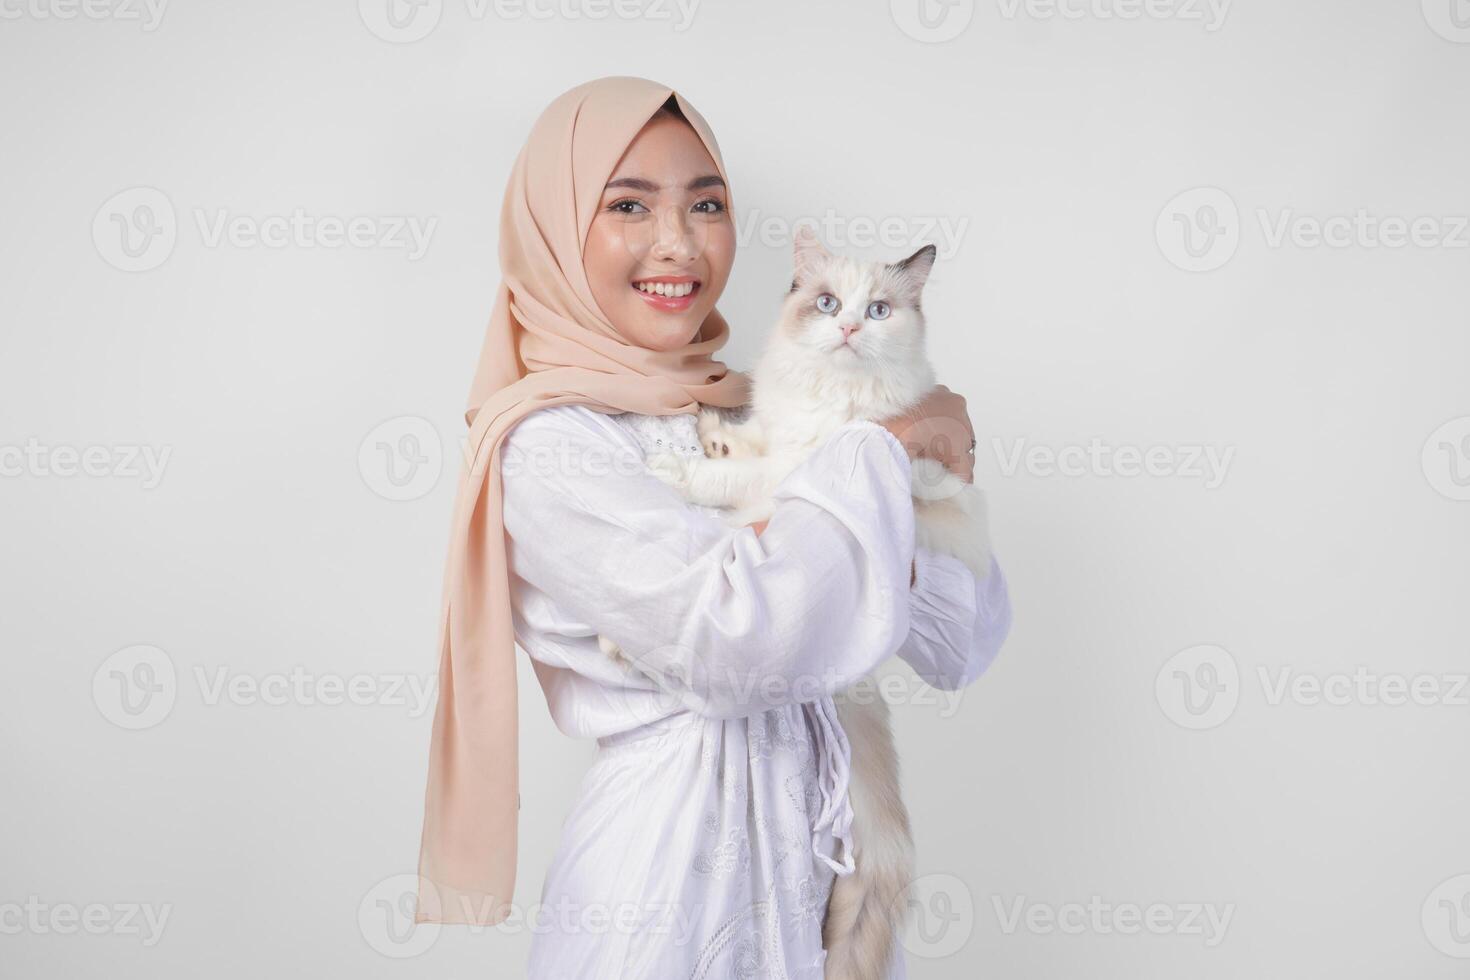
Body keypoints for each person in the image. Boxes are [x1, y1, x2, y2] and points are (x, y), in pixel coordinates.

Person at [414, 76, 1013, 980]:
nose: (678, 244)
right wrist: (885, 450)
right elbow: (742, 645)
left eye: (707, 204)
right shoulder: (550, 446)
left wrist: (920, 470)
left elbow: (956, 642)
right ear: (553, 229)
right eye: (627, 205)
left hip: (816, 872)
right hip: (666, 880)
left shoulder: (749, 407)